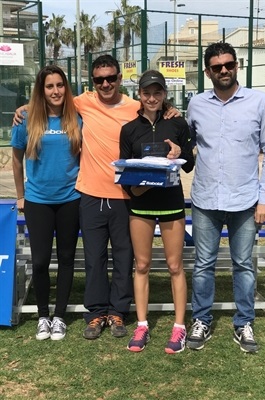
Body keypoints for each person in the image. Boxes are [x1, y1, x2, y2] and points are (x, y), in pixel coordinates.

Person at [13, 55, 179, 341]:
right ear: (93, 83)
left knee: (124, 258)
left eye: (111, 78)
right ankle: (96, 313)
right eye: (99, 80)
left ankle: (118, 312)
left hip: (125, 195)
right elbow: (50, 100)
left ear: (119, 79)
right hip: (88, 194)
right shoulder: (82, 103)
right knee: (94, 258)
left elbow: (155, 105)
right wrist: (25, 107)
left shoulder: (133, 106)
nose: (106, 84)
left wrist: (170, 109)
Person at [186, 42, 265, 353]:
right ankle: (201, 319)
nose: (223, 70)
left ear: (237, 65)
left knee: (243, 264)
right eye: (217, 67)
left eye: (228, 64)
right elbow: (182, 141)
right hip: (205, 200)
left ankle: (244, 323)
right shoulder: (196, 104)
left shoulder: (259, 102)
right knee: (203, 265)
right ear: (207, 71)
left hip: (245, 201)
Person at [119, 70, 194, 353]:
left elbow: (188, 165)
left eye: (157, 93)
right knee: (142, 265)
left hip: (172, 203)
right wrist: (139, 188)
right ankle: (141, 325)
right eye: (147, 93)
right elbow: (125, 172)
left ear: (164, 95)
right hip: (140, 205)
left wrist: (178, 151)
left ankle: (179, 328)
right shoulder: (129, 130)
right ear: (139, 94)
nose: (152, 98)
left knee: (175, 266)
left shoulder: (178, 123)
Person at [11, 65, 82, 341]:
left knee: (66, 258)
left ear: (66, 88)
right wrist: (20, 195)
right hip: (37, 200)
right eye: (49, 86)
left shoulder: (77, 117)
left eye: (60, 85)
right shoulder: (27, 119)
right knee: (40, 261)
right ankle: (43, 316)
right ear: (42, 90)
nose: (56, 91)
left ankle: (60, 316)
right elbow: (16, 160)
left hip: (70, 199)